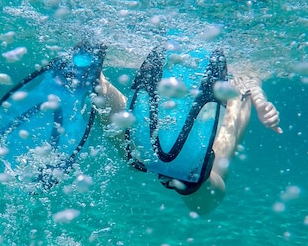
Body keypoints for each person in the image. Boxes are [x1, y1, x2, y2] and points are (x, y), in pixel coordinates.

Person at [92, 54, 282, 216]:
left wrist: (260, 100)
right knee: (204, 203)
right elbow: (246, 79)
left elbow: (247, 80)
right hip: (198, 127)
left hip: (164, 117)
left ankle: (98, 82)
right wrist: (259, 100)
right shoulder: (233, 54)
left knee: (133, 150)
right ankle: (190, 174)